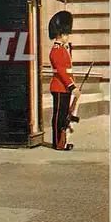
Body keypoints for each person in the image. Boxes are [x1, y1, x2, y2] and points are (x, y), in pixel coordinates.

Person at [48, 10, 80, 151]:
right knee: (59, 117)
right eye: (66, 34)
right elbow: (61, 71)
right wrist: (72, 86)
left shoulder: (63, 49)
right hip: (60, 87)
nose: (67, 36)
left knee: (64, 116)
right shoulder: (56, 50)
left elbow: (68, 70)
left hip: (64, 87)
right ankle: (58, 143)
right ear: (60, 34)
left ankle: (63, 142)